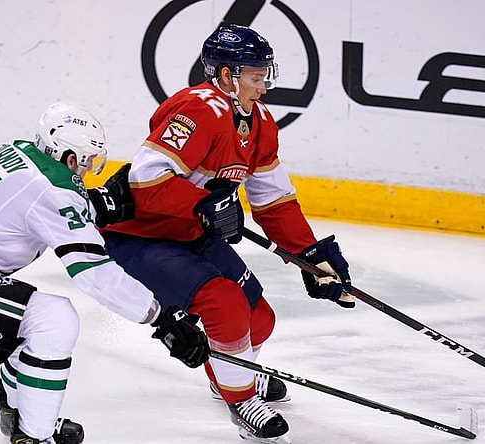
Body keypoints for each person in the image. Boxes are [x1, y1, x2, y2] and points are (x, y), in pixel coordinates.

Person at [0, 102, 210, 444]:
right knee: (52, 320)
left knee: (32, 335)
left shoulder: (16, 152)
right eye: (87, 162)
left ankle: (22, 411)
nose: (88, 170)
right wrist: (160, 315)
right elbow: (93, 270)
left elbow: (36, 202)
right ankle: (34, 435)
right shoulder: (54, 191)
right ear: (68, 157)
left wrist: (98, 204)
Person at [101, 24, 355, 443]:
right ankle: (240, 399)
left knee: (260, 318)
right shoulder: (197, 110)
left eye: (264, 74)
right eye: (256, 76)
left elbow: (273, 200)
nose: (265, 86)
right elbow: (146, 181)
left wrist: (310, 256)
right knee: (225, 304)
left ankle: (231, 376)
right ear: (225, 75)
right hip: (139, 236)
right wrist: (205, 204)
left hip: (189, 233)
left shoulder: (260, 123)